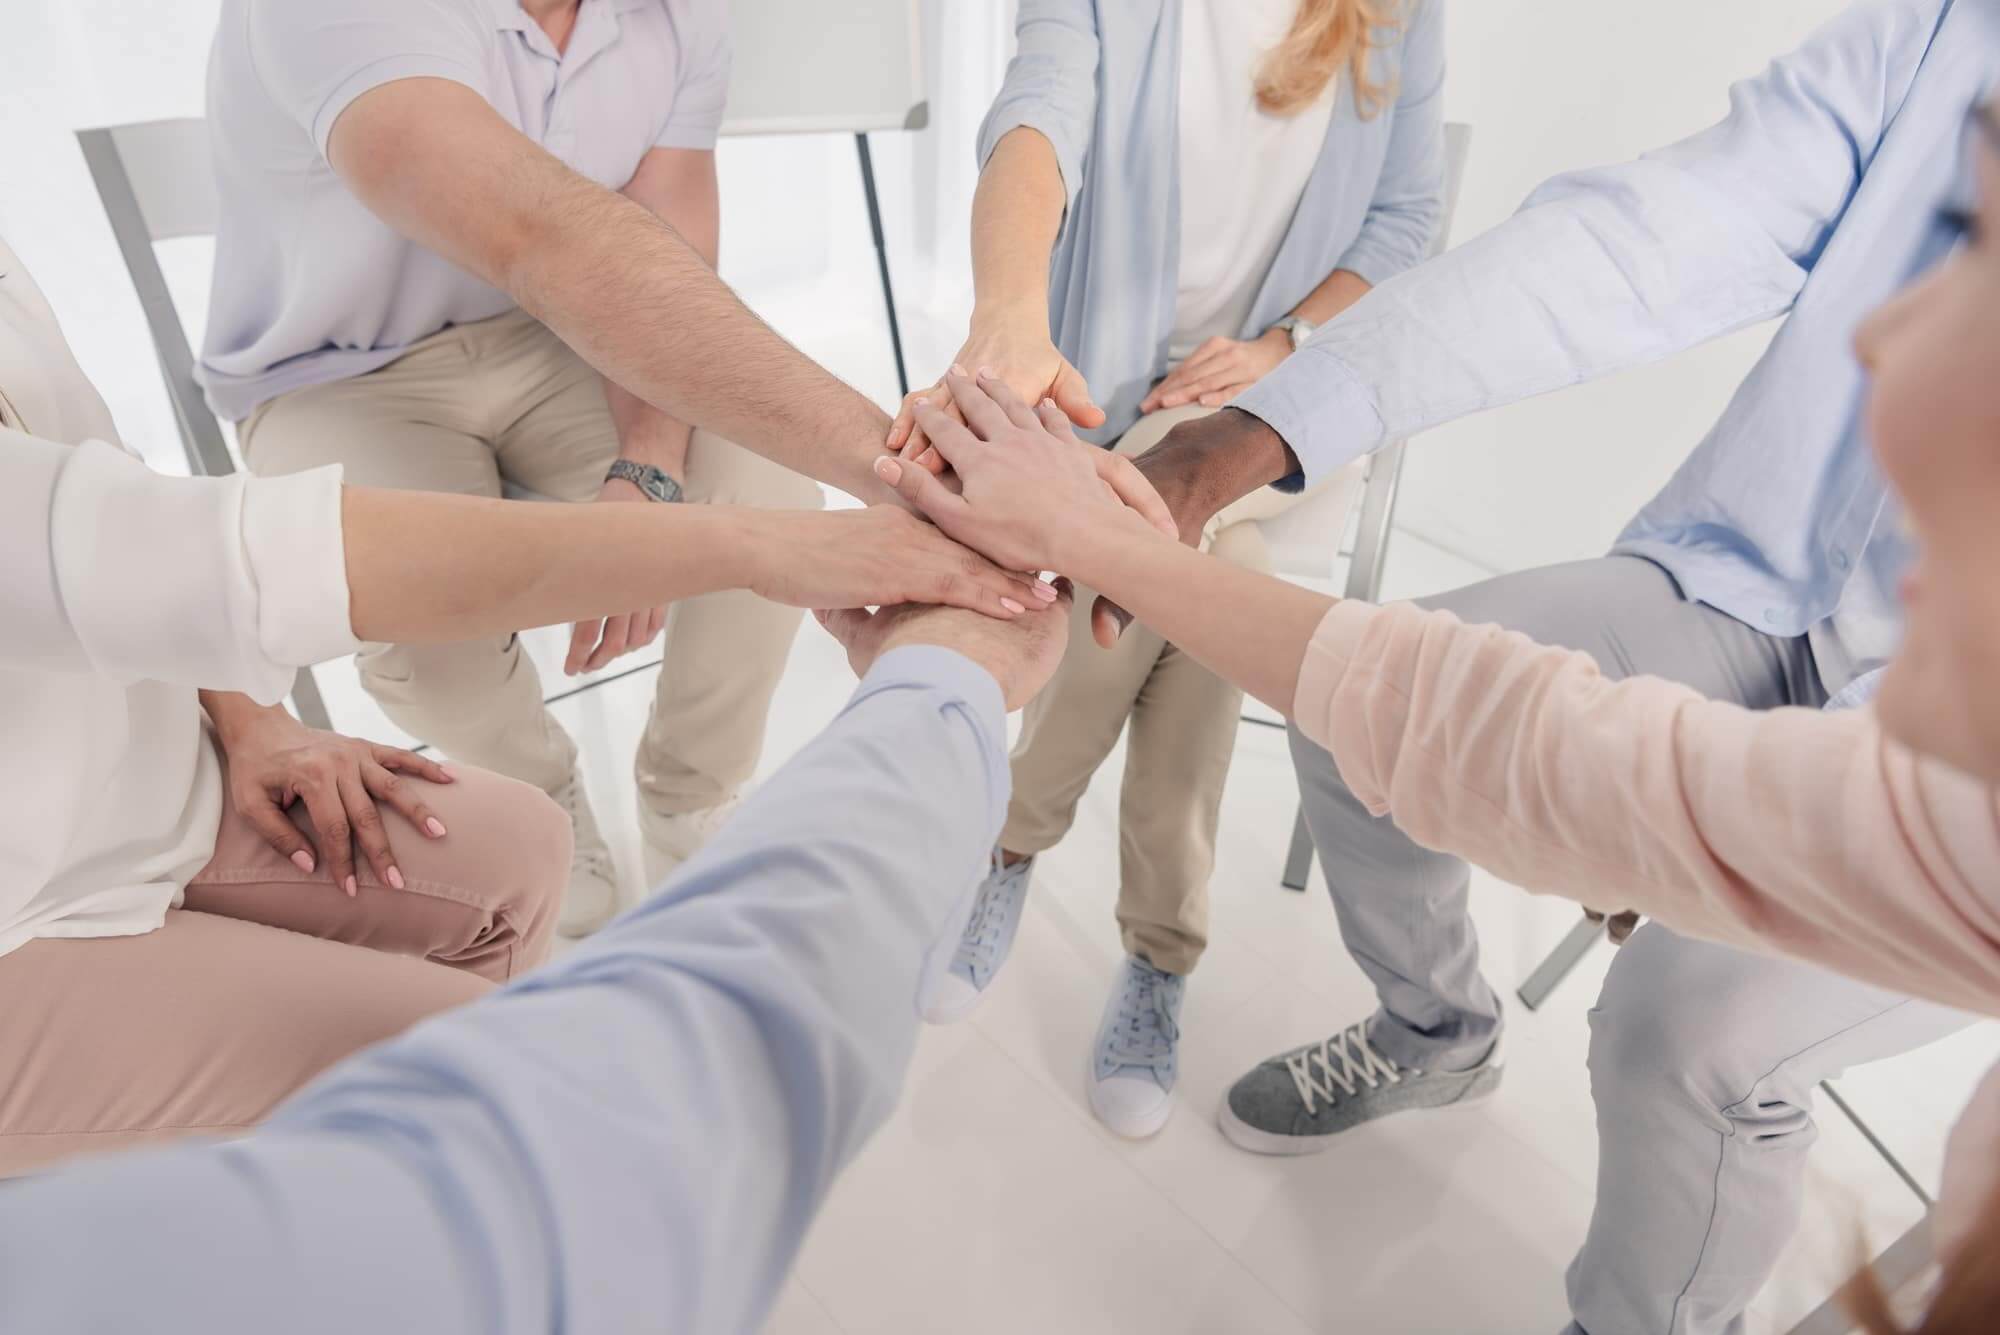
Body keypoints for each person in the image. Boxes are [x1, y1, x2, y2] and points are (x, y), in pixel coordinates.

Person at [873, 97, 2000, 1305]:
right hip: (1759, 585)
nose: (1873, 331)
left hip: (1943, 743)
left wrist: (1114, 537)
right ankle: (1435, 1032)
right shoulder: (1940, 34)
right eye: (1948, 228)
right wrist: (1235, 440)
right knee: (1345, 719)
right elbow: (1637, 238)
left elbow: (1597, 770)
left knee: (1681, 1032)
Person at [0, 228, 1051, 1181]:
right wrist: (758, 548)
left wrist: (252, 720)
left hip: (131, 779)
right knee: (521, 1085)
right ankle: (430, 1186)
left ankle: (428, 1170)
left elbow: (122, 510)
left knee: (521, 848)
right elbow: (235, 559)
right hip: (21, 916)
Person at [197, 0, 1161, 936]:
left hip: (562, 335)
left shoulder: (680, 15)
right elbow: (542, 238)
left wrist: (650, 467)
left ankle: (687, 793)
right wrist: (915, 479)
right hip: (335, 374)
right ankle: (540, 797)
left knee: (769, 488)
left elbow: (661, 256)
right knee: (419, 622)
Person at [887, 0, 1446, 1137]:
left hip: (1279, 415)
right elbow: (1036, 115)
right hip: (1109, 392)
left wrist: (1281, 344)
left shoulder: (1399, 11)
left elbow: (1404, 218)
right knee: (1205, 580)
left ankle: (1010, 841)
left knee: (1151, 543)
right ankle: (1161, 951)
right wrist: (1008, 311)